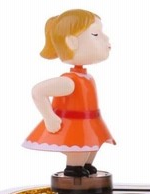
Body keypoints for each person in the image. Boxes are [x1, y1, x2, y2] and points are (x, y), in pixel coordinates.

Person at [23, 9, 115, 177]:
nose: (106, 38)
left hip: (90, 122)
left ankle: (86, 165)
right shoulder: (69, 81)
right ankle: (74, 168)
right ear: (72, 42)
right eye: (95, 34)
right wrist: (49, 118)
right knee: (79, 146)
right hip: (74, 125)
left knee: (92, 144)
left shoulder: (86, 77)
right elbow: (38, 91)